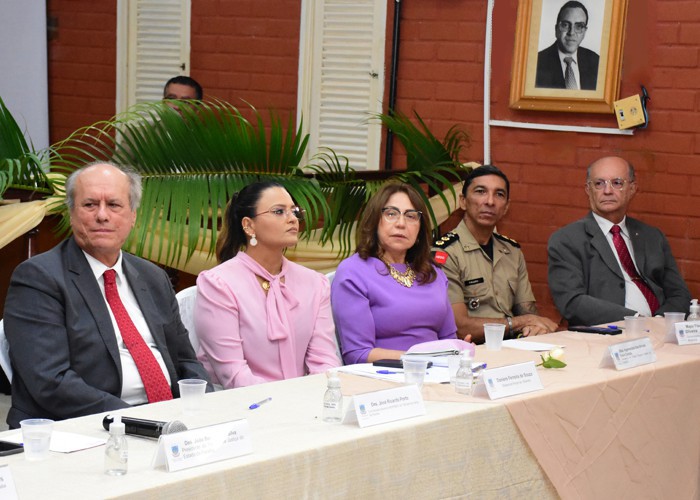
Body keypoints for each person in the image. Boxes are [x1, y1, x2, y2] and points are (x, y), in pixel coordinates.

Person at [3, 162, 211, 429]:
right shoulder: (39, 277)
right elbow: (50, 381)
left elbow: (185, 360)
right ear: (71, 213)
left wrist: (205, 407)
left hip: (168, 418)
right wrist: (142, 422)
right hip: (83, 426)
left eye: (114, 205)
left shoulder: (152, 277)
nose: (102, 215)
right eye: (90, 205)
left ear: (133, 216)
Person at [194, 181, 339, 388]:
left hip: (305, 400)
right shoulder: (219, 284)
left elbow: (325, 361)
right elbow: (234, 374)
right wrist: (286, 400)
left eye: (294, 211)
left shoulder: (315, 283)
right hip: (243, 401)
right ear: (249, 225)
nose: (292, 219)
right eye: (279, 211)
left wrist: (314, 396)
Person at [548, 156, 691, 326]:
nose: (607, 191)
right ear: (588, 189)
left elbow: (679, 294)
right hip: (609, 333)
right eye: (599, 183)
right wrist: (637, 321)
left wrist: (659, 322)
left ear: (632, 188)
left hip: (661, 329)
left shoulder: (652, 236)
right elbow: (572, 302)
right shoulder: (567, 240)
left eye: (617, 183)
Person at [331, 182, 458, 365]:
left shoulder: (433, 273)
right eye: (391, 214)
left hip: (439, 372)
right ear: (374, 221)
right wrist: (423, 360)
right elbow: (357, 354)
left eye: (411, 216)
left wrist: (458, 352)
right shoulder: (353, 272)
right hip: (385, 376)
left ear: (420, 229)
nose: (401, 224)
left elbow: (449, 340)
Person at [433, 165, 557, 343]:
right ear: (463, 201)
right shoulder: (445, 253)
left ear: (506, 207)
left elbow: (528, 312)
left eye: (499, 194)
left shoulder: (512, 251)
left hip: (512, 347)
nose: (490, 201)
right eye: (481, 192)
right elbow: (459, 327)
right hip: (470, 350)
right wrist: (521, 322)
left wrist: (534, 326)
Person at [535, 1, 599, 90]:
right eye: (565, 25)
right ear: (556, 29)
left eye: (579, 26)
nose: (571, 33)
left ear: (584, 32)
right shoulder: (537, 63)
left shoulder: (596, 61)